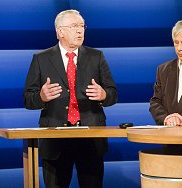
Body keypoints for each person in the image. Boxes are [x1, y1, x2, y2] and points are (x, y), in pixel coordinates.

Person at [24, 9, 117, 188]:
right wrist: (41, 97)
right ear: (60, 32)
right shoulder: (41, 59)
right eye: (74, 26)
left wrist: (104, 95)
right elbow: (28, 99)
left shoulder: (96, 56)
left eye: (82, 26)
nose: (80, 30)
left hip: (90, 137)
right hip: (55, 138)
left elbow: (113, 93)